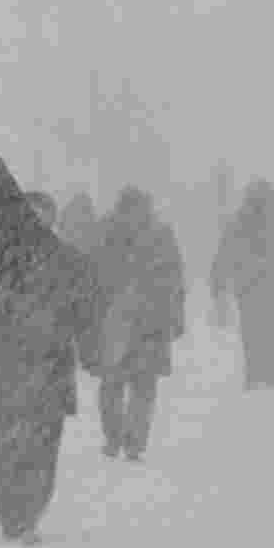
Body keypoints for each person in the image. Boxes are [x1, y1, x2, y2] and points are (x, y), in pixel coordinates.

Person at [0, 191, 98, 544]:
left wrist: (88, 345)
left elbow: (86, 311)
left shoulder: (67, 260)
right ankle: (12, 514)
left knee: (45, 445)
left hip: (51, 366)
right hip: (4, 366)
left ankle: (30, 511)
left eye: (42, 217)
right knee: (8, 442)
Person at [89, 186, 185, 460]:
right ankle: (130, 442)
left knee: (116, 384)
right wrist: (176, 316)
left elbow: (91, 277)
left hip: (120, 321)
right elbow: (175, 279)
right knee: (139, 386)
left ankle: (118, 439)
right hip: (146, 320)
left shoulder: (106, 231)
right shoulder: (159, 234)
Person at [210, 179, 274, 390]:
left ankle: (254, 374)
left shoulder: (240, 221)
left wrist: (219, 286)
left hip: (247, 287)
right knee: (270, 329)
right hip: (272, 287)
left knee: (251, 330)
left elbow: (224, 255)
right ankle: (268, 373)